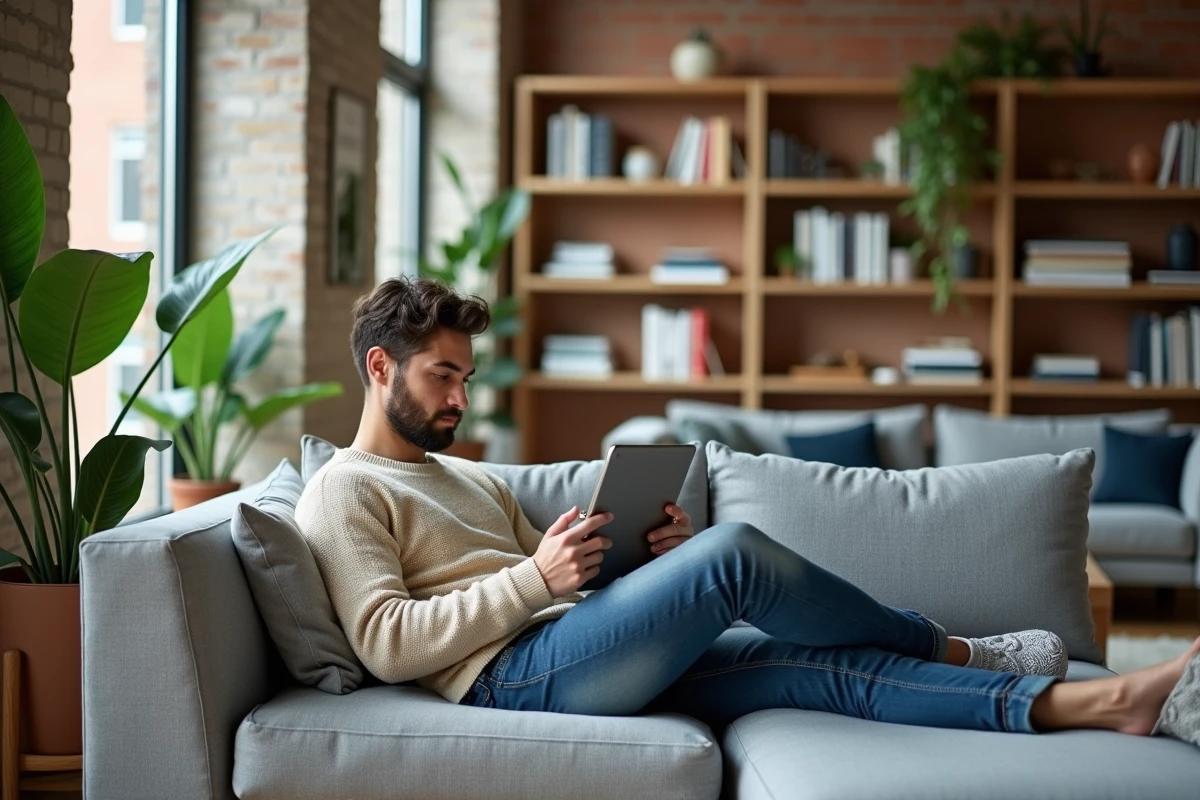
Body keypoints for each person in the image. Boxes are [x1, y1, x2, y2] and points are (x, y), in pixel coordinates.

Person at [296, 277, 1200, 740]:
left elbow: (561, 576)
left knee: (809, 666)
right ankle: (947, 643)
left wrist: (642, 562)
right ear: (381, 369)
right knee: (734, 557)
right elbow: (386, 641)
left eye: (465, 375)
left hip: (566, 647)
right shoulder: (344, 490)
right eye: (441, 375)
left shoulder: (467, 477)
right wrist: (536, 578)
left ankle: (1099, 703)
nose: (458, 396)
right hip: (503, 681)